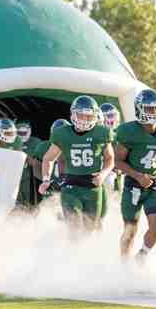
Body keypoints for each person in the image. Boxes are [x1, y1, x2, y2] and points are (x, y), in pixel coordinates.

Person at [115, 89, 156, 262]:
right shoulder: (129, 131)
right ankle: (124, 264)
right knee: (130, 229)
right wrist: (138, 175)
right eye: (149, 108)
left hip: (154, 186)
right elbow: (117, 161)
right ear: (139, 109)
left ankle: (142, 256)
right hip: (133, 185)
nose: (154, 112)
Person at [38, 96, 114, 234]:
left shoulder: (102, 132)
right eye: (81, 115)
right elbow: (49, 158)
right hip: (71, 186)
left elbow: (110, 158)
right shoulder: (62, 133)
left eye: (88, 116)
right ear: (73, 114)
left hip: (93, 187)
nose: (84, 120)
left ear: (95, 116)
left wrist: (103, 174)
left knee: (90, 231)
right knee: (74, 227)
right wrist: (46, 179)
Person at [32, 119, 70, 200]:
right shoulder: (43, 147)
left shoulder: (76, 146)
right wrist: (47, 181)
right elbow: (35, 167)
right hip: (51, 188)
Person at [16, 121, 42, 207]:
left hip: (28, 178)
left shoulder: (36, 142)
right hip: (13, 176)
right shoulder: (10, 142)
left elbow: (45, 162)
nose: (22, 135)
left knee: (28, 202)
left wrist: (29, 159)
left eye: (24, 133)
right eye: (20, 133)